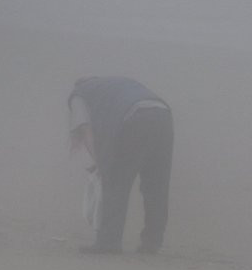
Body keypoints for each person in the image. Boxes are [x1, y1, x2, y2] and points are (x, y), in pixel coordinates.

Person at [68, 76, 173, 254]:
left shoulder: (78, 95)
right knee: (156, 185)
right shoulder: (113, 85)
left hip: (135, 117)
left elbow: (85, 130)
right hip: (163, 114)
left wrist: (101, 161)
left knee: (116, 182)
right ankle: (152, 242)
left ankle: (109, 242)